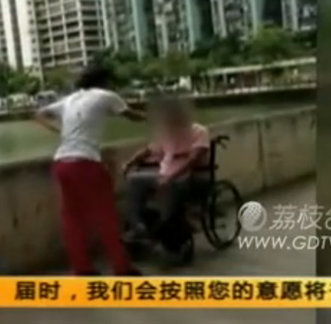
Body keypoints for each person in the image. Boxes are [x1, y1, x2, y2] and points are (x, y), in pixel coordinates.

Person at [34, 64, 144, 276]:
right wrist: (154, 118)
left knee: (72, 218)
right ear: (105, 81)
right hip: (85, 162)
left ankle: (81, 268)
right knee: (106, 216)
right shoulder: (106, 96)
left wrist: (60, 130)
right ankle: (121, 268)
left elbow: (38, 114)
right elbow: (132, 115)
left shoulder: (70, 99)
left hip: (62, 162)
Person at [123, 98, 210, 241]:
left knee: (170, 186)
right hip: (164, 174)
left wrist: (172, 176)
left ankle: (165, 228)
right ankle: (137, 225)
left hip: (189, 175)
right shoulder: (167, 133)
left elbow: (193, 159)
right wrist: (129, 163)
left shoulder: (199, 131)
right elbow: (148, 151)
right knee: (135, 180)